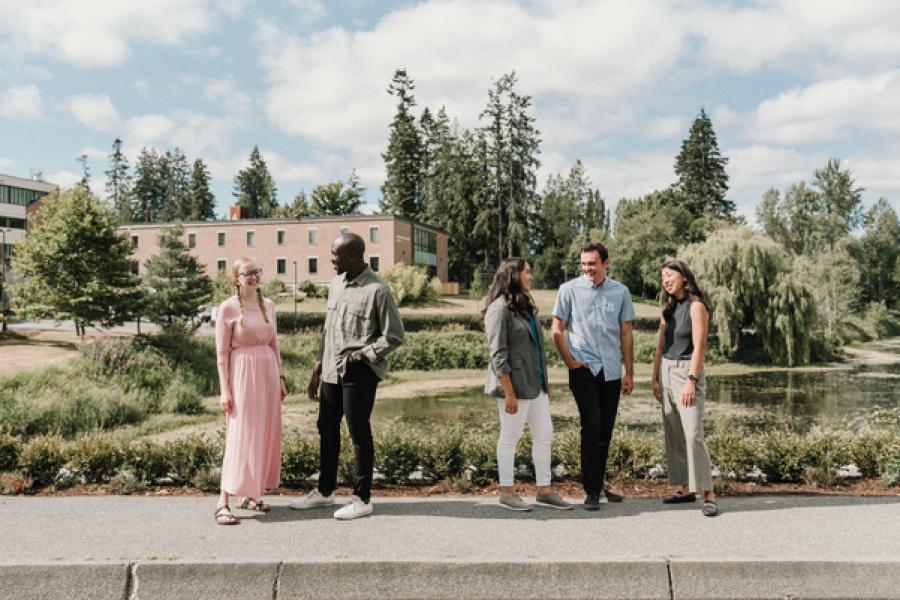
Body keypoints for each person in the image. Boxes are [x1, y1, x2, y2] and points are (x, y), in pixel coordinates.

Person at [289, 233, 405, 520]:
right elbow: (328, 330)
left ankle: (362, 498)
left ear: (352, 256)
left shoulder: (378, 290)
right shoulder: (336, 284)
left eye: (335, 255)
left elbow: (395, 336)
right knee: (326, 428)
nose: (331, 259)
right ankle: (325, 492)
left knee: (358, 432)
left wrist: (365, 354)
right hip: (330, 369)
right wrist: (317, 366)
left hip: (359, 372)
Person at [484, 258, 572, 511]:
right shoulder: (499, 309)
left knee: (544, 434)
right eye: (527, 272)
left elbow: (537, 351)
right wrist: (509, 393)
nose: (531, 276)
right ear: (514, 275)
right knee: (509, 438)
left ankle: (544, 491)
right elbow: (497, 354)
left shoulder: (527, 307)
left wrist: (545, 384)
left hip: (536, 386)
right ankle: (507, 492)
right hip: (514, 386)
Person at [551, 242, 635, 510]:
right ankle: (590, 490)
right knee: (592, 427)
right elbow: (557, 328)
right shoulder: (568, 290)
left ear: (605, 263)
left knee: (605, 431)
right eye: (584, 263)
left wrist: (630, 372)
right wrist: (569, 361)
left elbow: (626, 334)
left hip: (611, 371)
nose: (587, 268)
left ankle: (598, 484)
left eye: (592, 263)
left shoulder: (620, 292)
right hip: (583, 370)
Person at [214, 258, 287, 525]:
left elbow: (274, 343)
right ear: (237, 279)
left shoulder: (269, 305)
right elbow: (221, 353)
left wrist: (280, 377)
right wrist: (225, 389)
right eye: (248, 273)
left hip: (267, 373)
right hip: (242, 374)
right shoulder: (228, 308)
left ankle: (251, 494)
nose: (254, 277)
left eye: (257, 271)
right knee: (240, 434)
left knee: (263, 432)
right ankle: (223, 501)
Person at [651, 259, 718, 517]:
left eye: (670, 275)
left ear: (683, 277)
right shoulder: (668, 311)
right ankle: (684, 489)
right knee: (675, 434)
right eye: (663, 277)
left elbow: (700, 347)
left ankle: (708, 493)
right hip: (666, 370)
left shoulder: (696, 306)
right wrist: (655, 378)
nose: (666, 280)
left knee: (692, 434)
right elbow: (660, 346)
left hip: (687, 371)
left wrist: (691, 379)